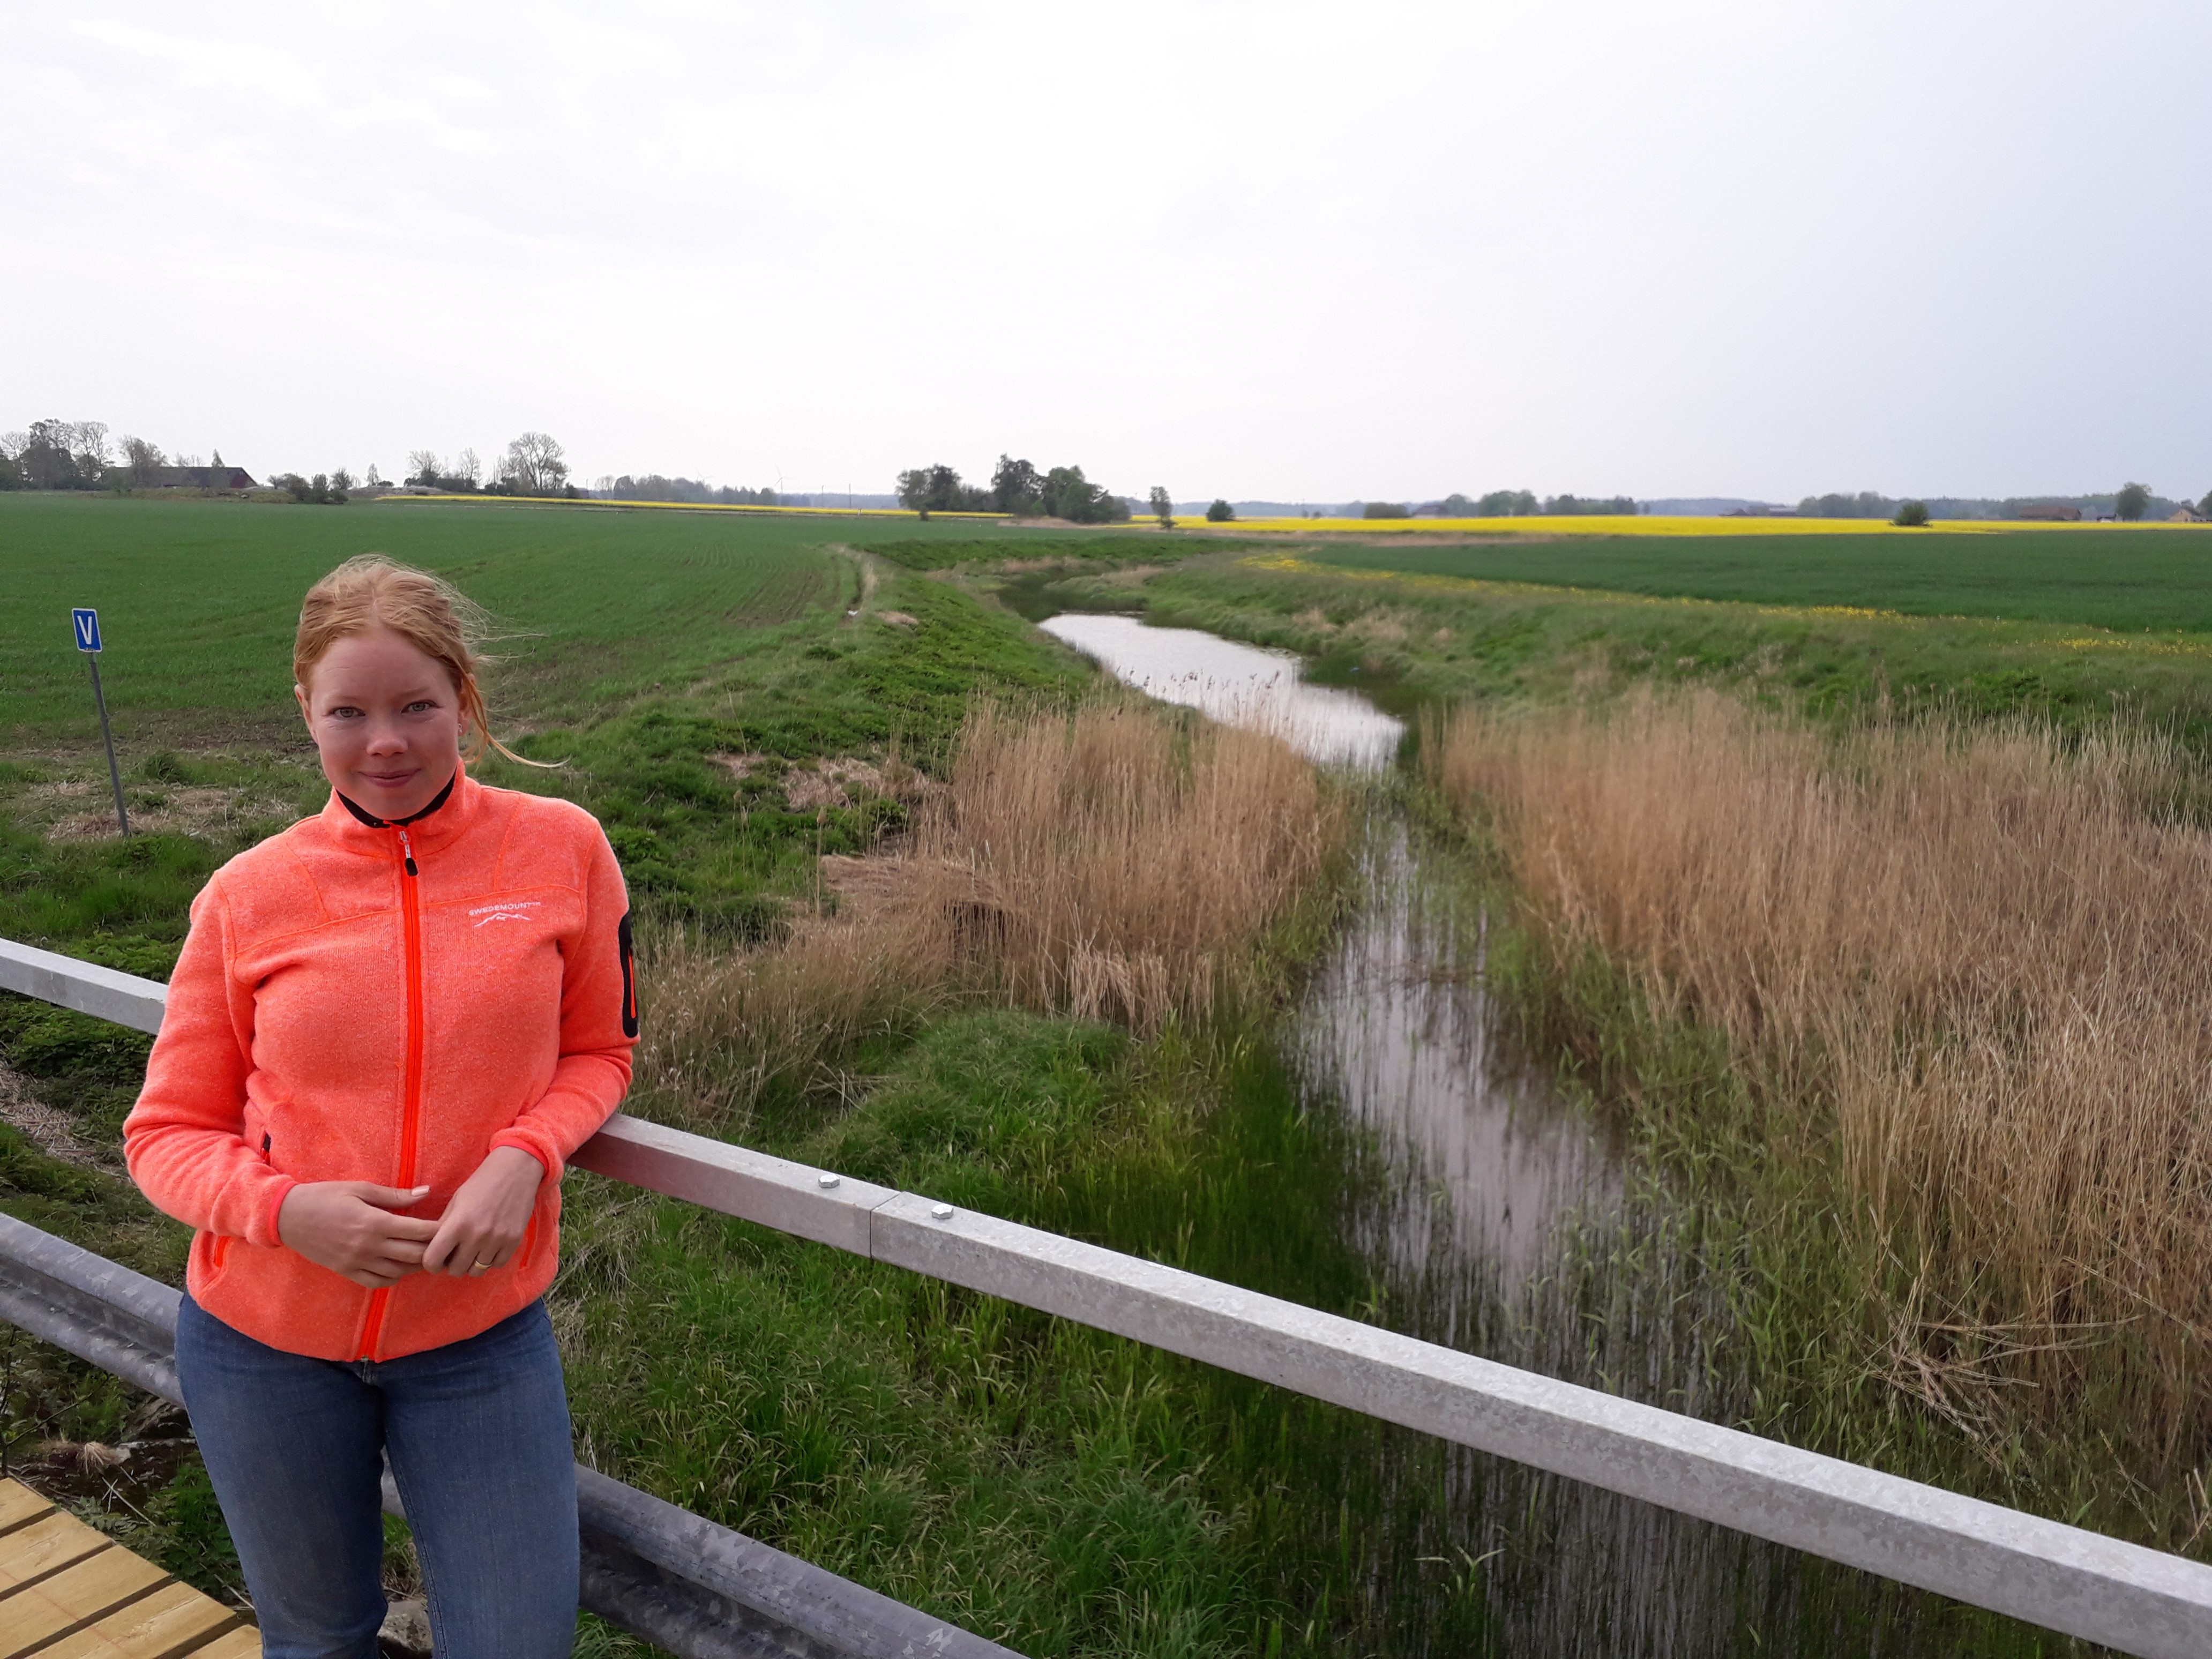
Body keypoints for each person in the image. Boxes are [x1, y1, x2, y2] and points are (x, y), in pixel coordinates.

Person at [125, 555, 638, 1659]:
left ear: (465, 698)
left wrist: (527, 1154)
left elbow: (602, 1051)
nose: (387, 743)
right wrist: (285, 1210)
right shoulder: (249, 894)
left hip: (479, 1338)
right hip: (261, 1345)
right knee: (318, 1642)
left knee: (517, 1642)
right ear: (305, 714)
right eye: (348, 712)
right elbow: (163, 1136)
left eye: (417, 706)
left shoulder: (563, 850)